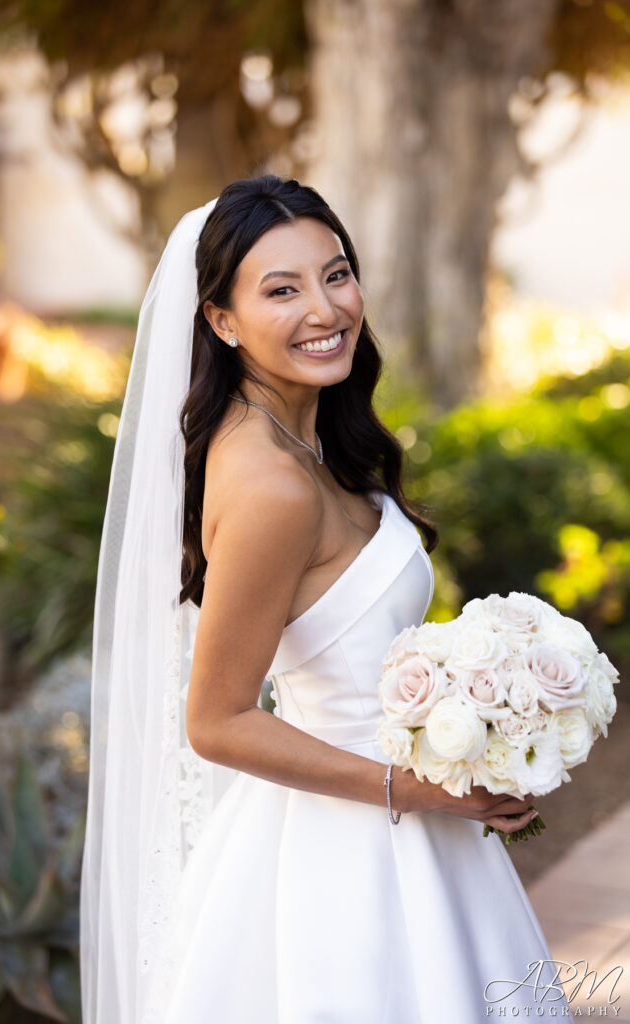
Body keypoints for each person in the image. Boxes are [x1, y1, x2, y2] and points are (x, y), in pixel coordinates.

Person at [80, 175, 570, 1023]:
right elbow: (218, 720)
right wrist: (416, 787)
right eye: (281, 289)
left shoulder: (301, 437)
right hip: (344, 857)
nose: (325, 308)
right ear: (221, 321)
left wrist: (481, 714)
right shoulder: (270, 484)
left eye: (335, 274)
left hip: (395, 820)